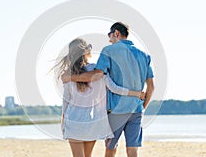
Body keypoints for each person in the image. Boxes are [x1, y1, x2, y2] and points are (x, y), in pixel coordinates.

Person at [62, 22, 154, 157]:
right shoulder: (144, 55)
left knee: (111, 149)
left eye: (109, 35)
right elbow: (151, 86)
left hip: (115, 111)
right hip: (136, 110)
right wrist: (142, 106)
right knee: (133, 150)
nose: (109, 39)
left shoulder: (108, 51)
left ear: (116, 33)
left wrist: (71, 78)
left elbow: (98, 75)